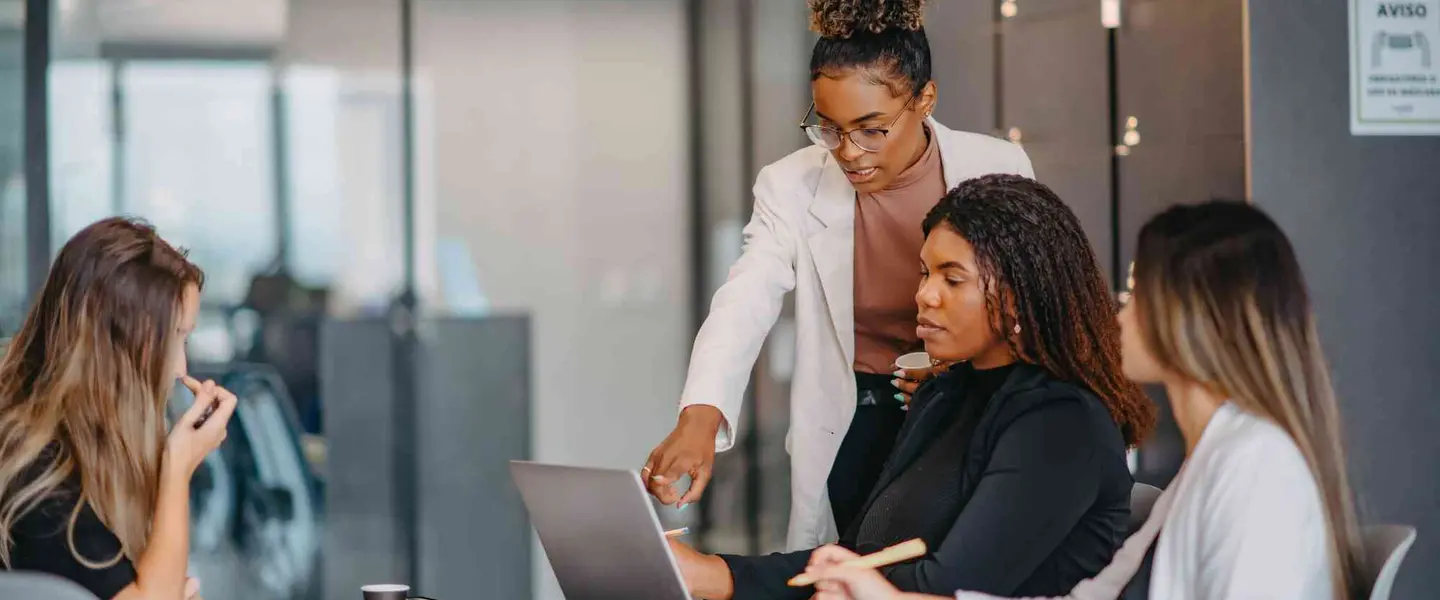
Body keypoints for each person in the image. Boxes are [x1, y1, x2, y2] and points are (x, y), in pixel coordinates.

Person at [803, 200, 1364, 600]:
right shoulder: (1217, 460)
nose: (1121, 313)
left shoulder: (1256, 467)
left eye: (1139, 294)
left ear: (1191, 319)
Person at [643, 0, 1034, 550]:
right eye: (828, 128)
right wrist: (701, 414)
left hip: (972, 406)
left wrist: (962, 374)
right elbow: (746, 298)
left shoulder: (999, 168)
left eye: (872, 130)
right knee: (846, 564)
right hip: (859, 413)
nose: (849, 153)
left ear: (925, 99)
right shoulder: (790, 184)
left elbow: (1034, 303)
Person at [663, 175, 1156, 600]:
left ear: (1017, 294)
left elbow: (944, 589)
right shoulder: (944, 395)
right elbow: (860, 558)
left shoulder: (1060, 424)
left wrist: (841, 578)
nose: (924, 295)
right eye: (925, 272)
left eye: (952, 279)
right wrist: (710, 574)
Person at [0, 217, 238, 600]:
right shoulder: (39, 480)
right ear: (113, 345)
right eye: (172, 339)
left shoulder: (79, 456)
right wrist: (177, 467)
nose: (181, 369)